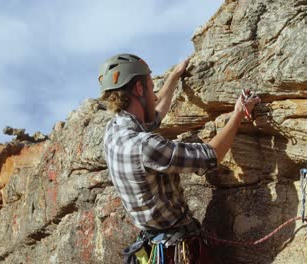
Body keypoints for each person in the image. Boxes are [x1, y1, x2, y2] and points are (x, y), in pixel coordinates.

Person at [100, 53, 260, 263]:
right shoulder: (145, 147)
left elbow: (154, 115)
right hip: (176, 250)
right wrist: (238, 113)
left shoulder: (113, 132)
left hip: (152, 246)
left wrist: (175, 76)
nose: (155, 96)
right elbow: (210, 156)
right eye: (150, 87)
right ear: (139, 89)